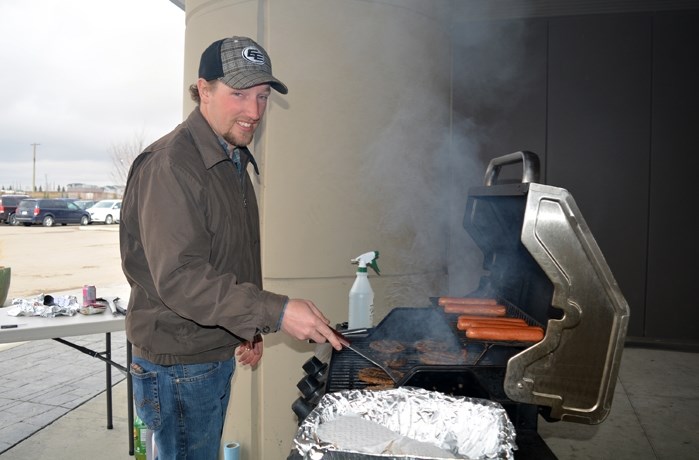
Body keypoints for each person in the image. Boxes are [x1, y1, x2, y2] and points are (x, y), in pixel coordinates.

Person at [119, 36, 344, 459]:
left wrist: (249, 327)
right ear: (204, 90)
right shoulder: (171, 164)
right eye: (238, 94)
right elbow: (181, 278)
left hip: (209, 351)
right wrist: (273, 310)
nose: (255, 111)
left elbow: (228, 255)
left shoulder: (231, 155)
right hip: (179, 366)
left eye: (261, 96)